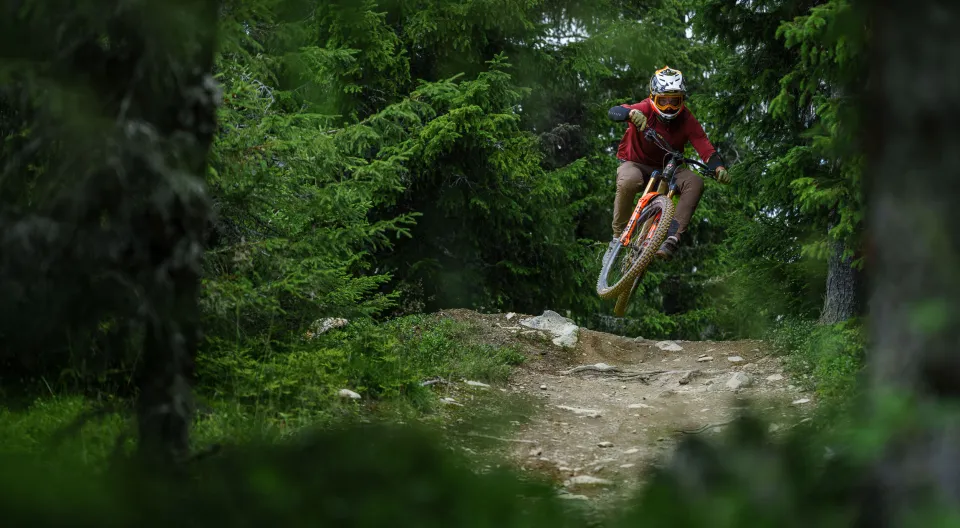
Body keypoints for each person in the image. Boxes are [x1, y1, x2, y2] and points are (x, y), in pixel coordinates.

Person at [606, 66, 730, 260]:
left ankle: (672, 237)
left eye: (675, 101)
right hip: (635, 163)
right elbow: (614, 111)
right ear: (653, 97)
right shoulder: (645, 108)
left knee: (695, 182)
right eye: (663, 100)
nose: (669, 107)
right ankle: (617, 238)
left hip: (668, 168)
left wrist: (718, 167)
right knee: (628, 180)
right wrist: (630, 114)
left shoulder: (686, 118)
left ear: (682, 100)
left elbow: (704, 145)